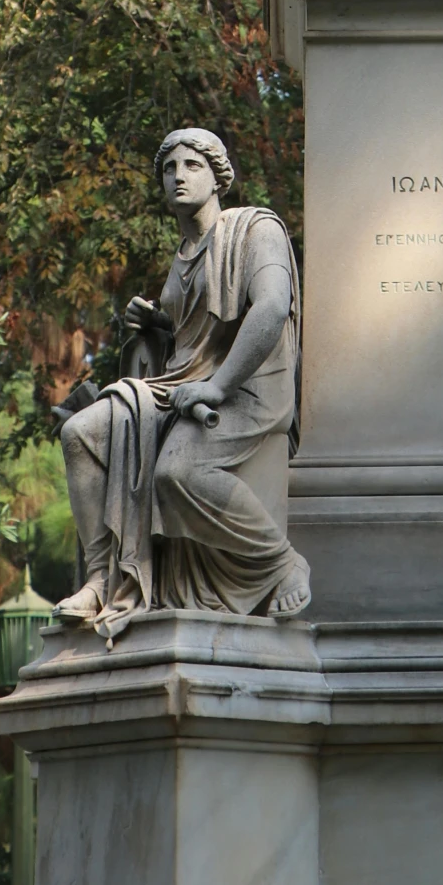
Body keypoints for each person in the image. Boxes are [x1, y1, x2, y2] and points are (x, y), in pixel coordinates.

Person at [55, 128, 309, 632]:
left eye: (192, 165)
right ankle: (102, 578)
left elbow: (272, 306)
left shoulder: (255, 229)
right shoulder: (182, 257)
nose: (178, 176)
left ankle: (282, 563)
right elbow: (191, 345)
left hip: (248, 386)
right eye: (169, 169)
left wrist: (216, 387)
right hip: (183, 386)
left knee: (178, 471)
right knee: (80, 434)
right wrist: (156, 328)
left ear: (218, 178)